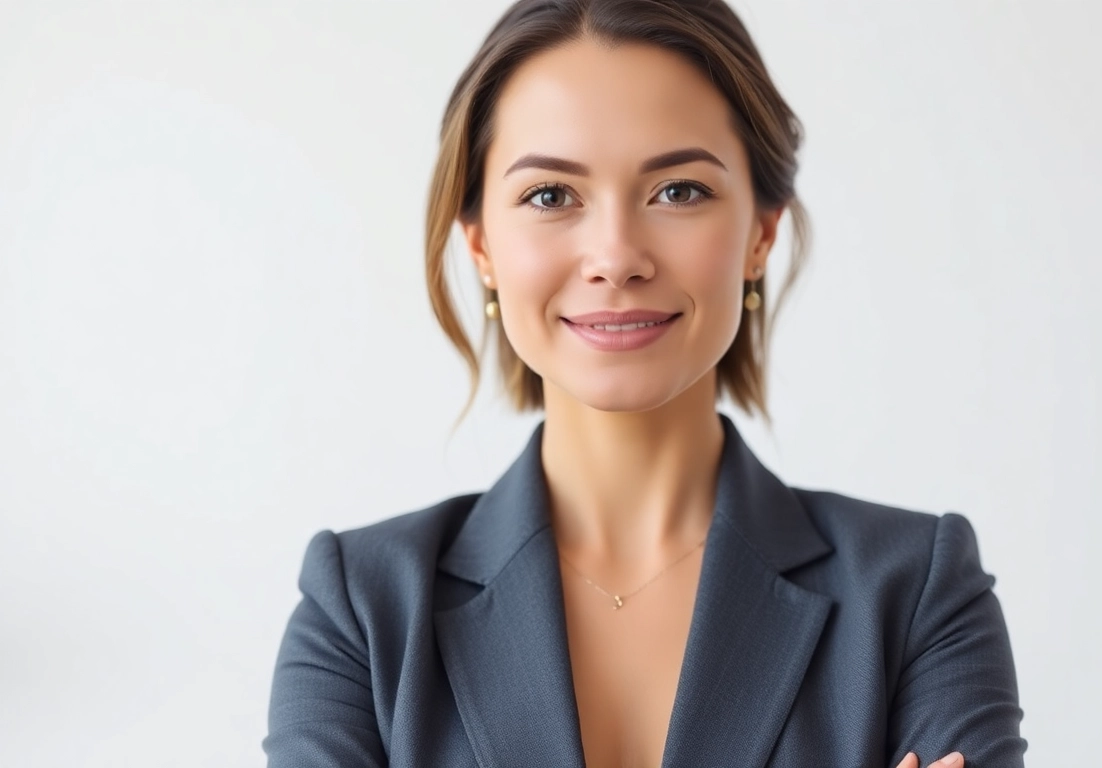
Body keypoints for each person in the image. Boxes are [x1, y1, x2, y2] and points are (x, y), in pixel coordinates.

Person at [263, 1, 1028, 766]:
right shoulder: (360, 610)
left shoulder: (919, 593)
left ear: (761, 233)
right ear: (482, 246)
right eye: (551, 196)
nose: (616, 254)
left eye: (679, 191)